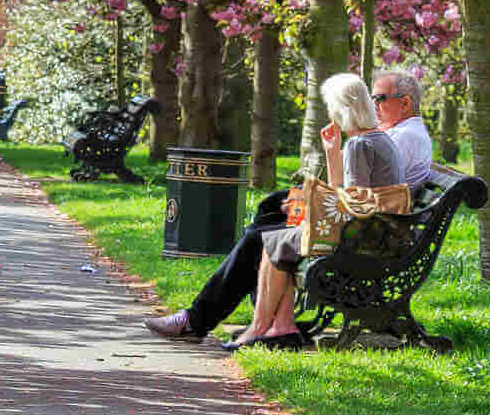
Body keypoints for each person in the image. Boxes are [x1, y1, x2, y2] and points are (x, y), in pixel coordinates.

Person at [145, 69, 431, 346]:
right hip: (368, 229)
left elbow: (352, 203)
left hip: (362, 236)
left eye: (332, 107)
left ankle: (218, 321)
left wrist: (310, 201)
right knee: (266, 219)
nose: (331, 114)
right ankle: (266, 324)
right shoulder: (374, 138)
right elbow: (351, 195)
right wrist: (331, 154)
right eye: (374, 99)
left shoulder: (369, 143)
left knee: (261, 238)